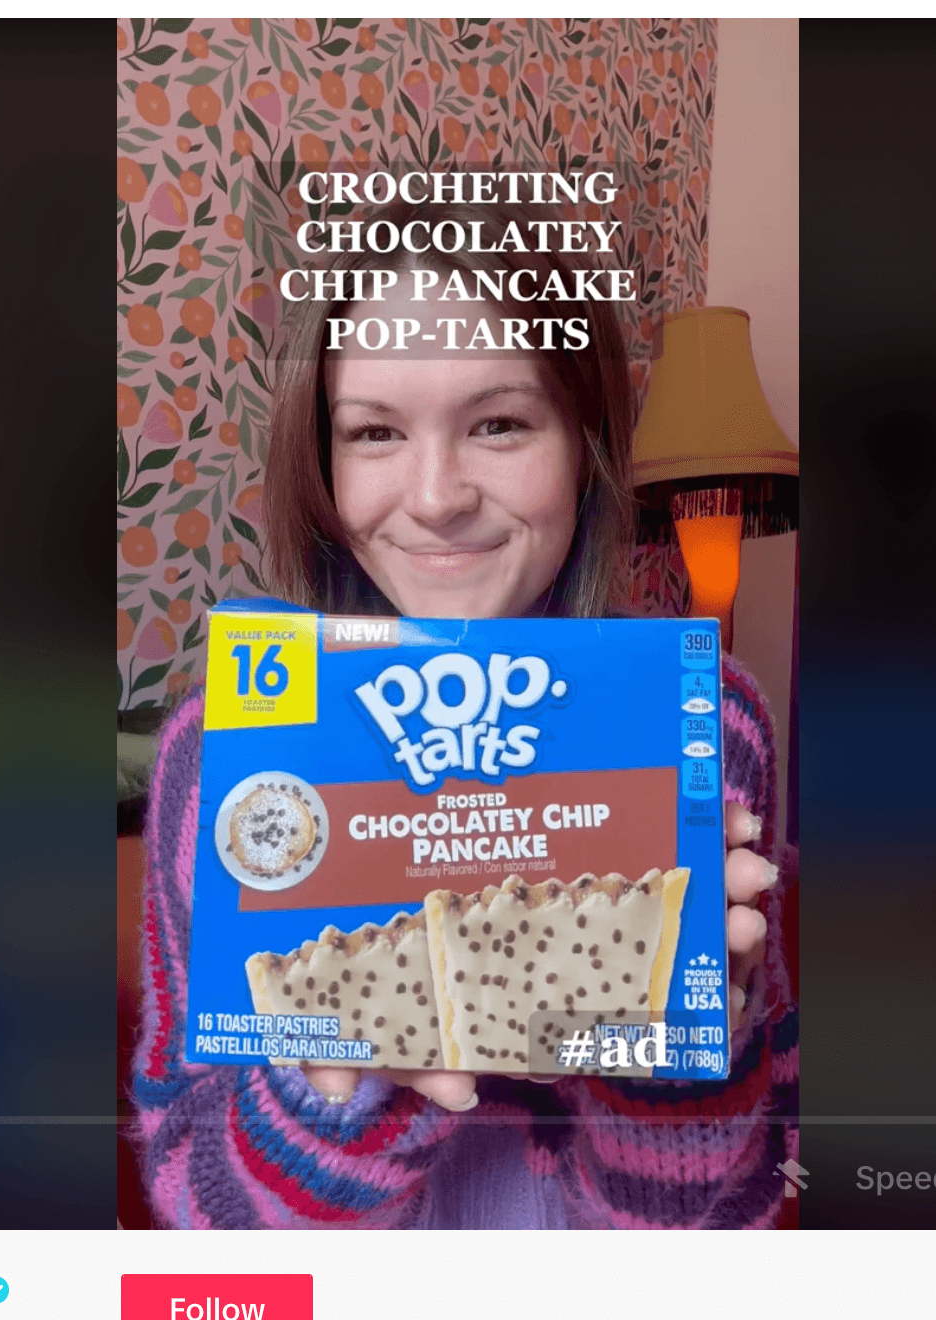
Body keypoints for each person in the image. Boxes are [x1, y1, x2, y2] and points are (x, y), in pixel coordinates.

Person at [129, 194, 797, 1227]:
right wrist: (343, 1087)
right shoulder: (224, 743)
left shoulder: (704, 723)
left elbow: (730, 1219)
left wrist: (684, 1039)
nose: (436, 495)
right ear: (321, 463)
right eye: (373, 432)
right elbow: (194, 1205)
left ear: (583, 443)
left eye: (497, 422)